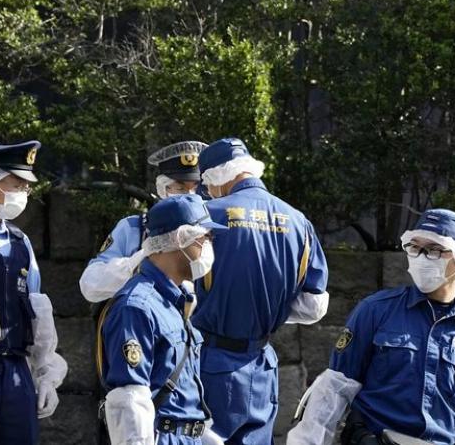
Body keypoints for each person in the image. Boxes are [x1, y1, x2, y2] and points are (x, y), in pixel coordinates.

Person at [287, 209, 455, 445]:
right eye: (415, 247)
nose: (422, 257)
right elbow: (333, 390)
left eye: (434, 250)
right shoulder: (375, 311)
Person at [192, 137, 329, 444]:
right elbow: (315, 305)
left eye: (207, 183)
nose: (208, 191)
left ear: (216, 176)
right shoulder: (298, 221)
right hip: (263, 365)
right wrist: (268, 305)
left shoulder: (205, 215)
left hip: (210, 361)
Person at [100, 194, 226, 445]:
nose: (210, 245)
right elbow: (129, 401)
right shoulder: (137, 306)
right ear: (180, 238)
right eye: (204, 237)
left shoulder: (173, 301)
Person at [0, 141, 67, 444]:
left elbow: (38, 312)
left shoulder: (19, 242)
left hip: (15, 371)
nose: (23, 194)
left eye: (26, 187)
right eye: (16, 184)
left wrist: (46, 374)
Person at [79, 141, 208, 303]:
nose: (189, 195)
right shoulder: (133, 228)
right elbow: (89, 285)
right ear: (163, 189)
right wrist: (141, 260)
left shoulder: (216, 229)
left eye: (196, 188)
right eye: (180, 188)